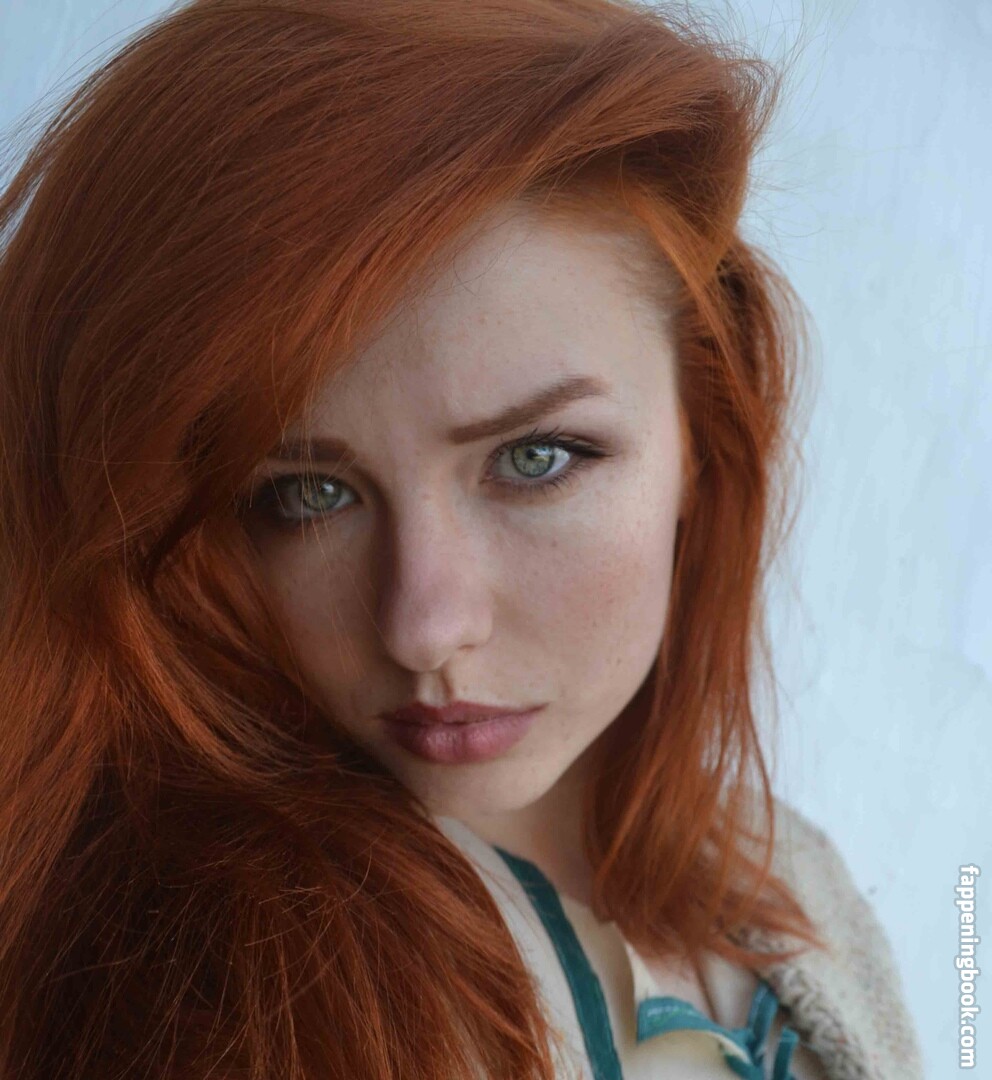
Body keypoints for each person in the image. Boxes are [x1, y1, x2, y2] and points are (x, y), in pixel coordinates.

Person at [0, 0, 923, 1077]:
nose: (425, 627)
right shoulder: (222, 996)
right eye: (305, 493)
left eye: (535, 458)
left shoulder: (792, 877)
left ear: (700, 439)